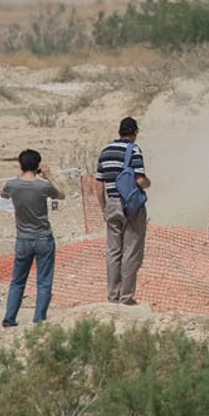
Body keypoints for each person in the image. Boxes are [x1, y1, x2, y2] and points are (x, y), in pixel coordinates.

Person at [1, 149, 63, 328]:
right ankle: (39, 319)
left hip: (23, 239)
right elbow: (61, 194)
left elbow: (3, 193)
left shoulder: (12, 185)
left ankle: (9, 318)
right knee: (44, 282)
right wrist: (49, 176)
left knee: (17, 281)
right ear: (38, 166)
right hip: (43, 237)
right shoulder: (43, 186)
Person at [95, 117, 149, 303]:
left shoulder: (105, 151)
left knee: (113, 251)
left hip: (112, 203)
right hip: (131, 206)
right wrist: (149, 183)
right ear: (134, 133)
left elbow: (98, 184)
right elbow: (140, 180)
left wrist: (104, 209)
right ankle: (126, 297)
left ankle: (112, 295)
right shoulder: (134, 150)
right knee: (131, 251)